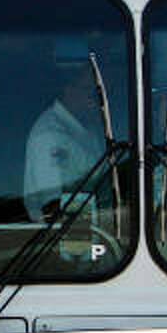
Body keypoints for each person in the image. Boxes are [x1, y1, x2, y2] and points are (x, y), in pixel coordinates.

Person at [23, 57, 104, 221]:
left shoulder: (89, 127)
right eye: (90, 92)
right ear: (68, 90)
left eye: (99, 93)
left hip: (97, 227)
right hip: (65, 236)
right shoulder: (48, 138)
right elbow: (52, 206)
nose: (96, 100)